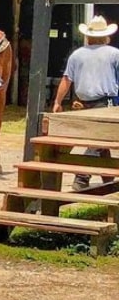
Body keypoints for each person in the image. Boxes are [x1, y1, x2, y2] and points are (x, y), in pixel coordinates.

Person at [51, 14, 119, 191]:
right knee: (98, 142)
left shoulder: (77, 54)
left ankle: (108, 180)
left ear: (88, 35)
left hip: (83, 103)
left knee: (98, 142)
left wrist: (58, 101)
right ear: (106, 36)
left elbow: (67, 80)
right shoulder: (114, 54)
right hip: (106, 103)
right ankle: (82, 177)